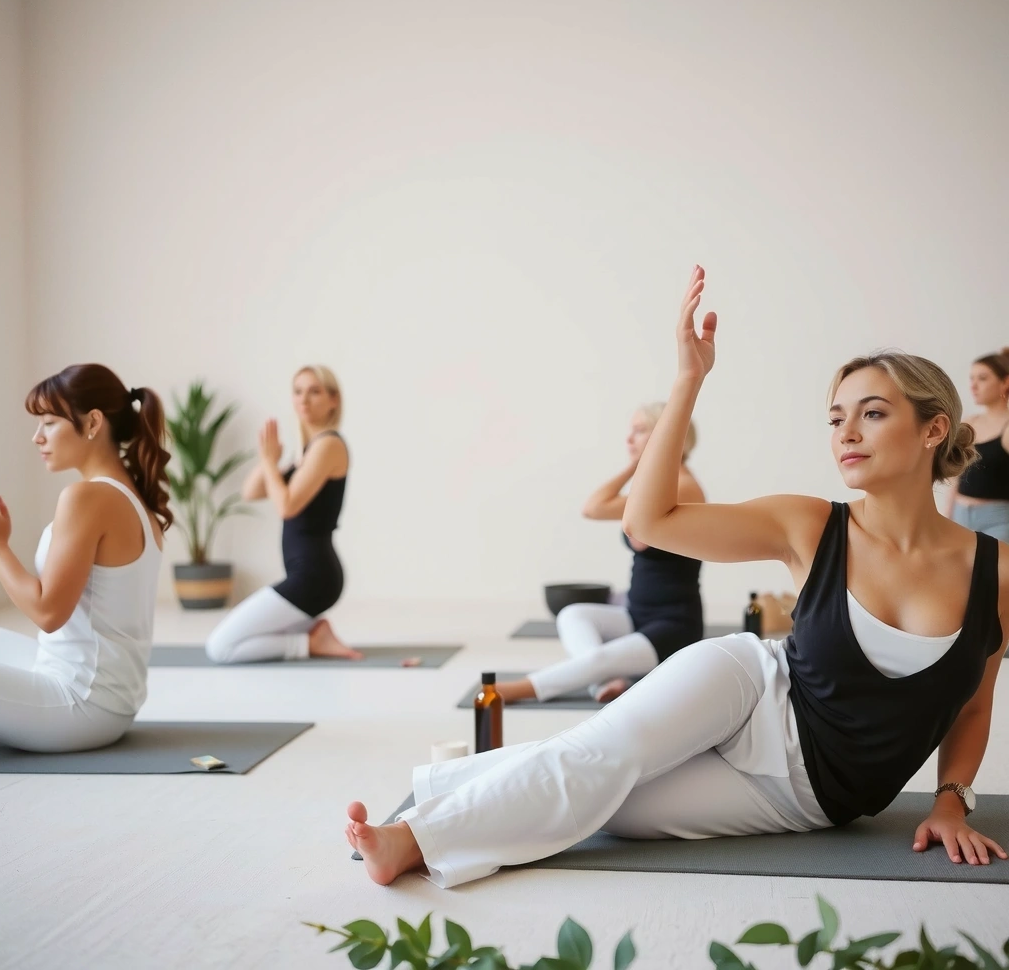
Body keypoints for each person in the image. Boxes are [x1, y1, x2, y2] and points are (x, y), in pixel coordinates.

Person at [346, 265, 1008, 888]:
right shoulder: (810, 526)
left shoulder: (996, 572)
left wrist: (952, 802)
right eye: (836, 418)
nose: (846, 434)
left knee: (610, 809)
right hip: (752, 682)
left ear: (933, 430)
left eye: (872, 413)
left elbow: (975, 704)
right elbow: (652, 518)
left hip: (808, 791)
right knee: (600, 759)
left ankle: (446, 792)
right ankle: (408, 839)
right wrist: (688, 379)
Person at [0, 364, 169, 752]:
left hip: (80, 704)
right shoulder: (134, 499)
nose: (37, 437)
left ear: (92, 422)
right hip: (107, 699)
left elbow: (48, 613)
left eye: (49, 423)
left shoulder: (88, 497)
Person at [498, 407, 704, 704]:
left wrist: (647, 471)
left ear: (666, 435)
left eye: (640, 430)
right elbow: (592, 508)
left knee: (601, 658)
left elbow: (640, 541)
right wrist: (636, 467)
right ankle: (607, 682)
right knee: (572, 615)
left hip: (674, 626)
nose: (628, 438)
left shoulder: (682, 488)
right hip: (637, 613)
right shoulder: (658, 484)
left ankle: (519, 690)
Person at [205, 365, 361, 663]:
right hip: (309, 575)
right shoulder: (305, 453)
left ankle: (309, 643)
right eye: (298, 391)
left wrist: (269, 461)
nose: (304, 399)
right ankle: (316, 634)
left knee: (220, 648)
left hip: (314, 577)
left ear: (333, 400)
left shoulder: (328, 445)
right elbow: (251, 491)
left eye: (315, 391)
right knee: (232, 642)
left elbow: (287, 506)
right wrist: (270, 461)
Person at [947, 350, 1009, 543]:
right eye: (971, 378)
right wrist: (947, 517)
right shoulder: (968, 424)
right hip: (960, 516)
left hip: (998, 520)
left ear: (1005, 382)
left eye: (982, 378)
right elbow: (956, 478)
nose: (973, 386)